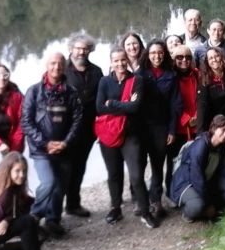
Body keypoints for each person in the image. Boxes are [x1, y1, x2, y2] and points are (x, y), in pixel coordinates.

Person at [21, 52, 83, 237]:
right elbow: (26, 122)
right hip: (41, 150)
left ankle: (53, 221)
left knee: (60, 187)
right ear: (46, 65)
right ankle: (33, 216)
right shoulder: (33, 91)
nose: (56, 67)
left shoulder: (71, 92)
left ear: (64, 67)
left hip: (65, 149)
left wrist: (66, 143)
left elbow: (78, 120)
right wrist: (45, 143)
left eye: (60, 64)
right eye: (53, 63)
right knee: (48, 182)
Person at [97, 46, 157, 228]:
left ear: (128, 60)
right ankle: (116, 208)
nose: (120, 63)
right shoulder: (104, 82)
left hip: (131, 134)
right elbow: (99, 107)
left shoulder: (137, 81)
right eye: (116, 60)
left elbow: (136, 107)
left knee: (136, 175)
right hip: (109, 134)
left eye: (123, 60)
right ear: (111, 62)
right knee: (114, 174)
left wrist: (112, 103)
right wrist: (124, 105)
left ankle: (145, 211)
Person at [169, 115, 225, 223]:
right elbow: (196, 177)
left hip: (207, 178)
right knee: (198, 205)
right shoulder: (201, 145)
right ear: (214, 128)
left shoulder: (222, 146)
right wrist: (208, 203)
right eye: (223, 130)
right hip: (186, 183)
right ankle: (188, 213)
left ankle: (210, 209)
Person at [138, 39, 182, 220]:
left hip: (161, 126)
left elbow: (175, 105)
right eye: (153, 52)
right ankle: (142, 199)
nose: (156, 56)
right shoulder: (140, 74)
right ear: (148, 54)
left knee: (157, 165)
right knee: (139, 164)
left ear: (164, 54)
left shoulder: (171, 75)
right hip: (141, 126)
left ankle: (156, 200)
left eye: (160, 52)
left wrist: (172, 130)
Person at [63, 33, 104, 218]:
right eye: (78, 48)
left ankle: (73, 204)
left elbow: (101, 99)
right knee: (64, 168)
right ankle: (54, 211)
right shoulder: (61, 69)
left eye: (85, 48)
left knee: (79, 166)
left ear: (90, 50)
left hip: (88, 128)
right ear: (71, 49)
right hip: (65, 129)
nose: (81, 52)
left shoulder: (96, 71)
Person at [171, 43, 200, 198]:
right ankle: (175, 193)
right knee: (176, 162)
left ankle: (194, 190)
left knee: (196, 160)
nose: (184, 60)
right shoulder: (170, 77)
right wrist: (186, 119)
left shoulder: (197, 74)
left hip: (197, 125)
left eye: (188, 57)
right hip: (179, 127)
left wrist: (197, 116)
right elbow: (169, 102)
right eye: (179, 57)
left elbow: (203, 97)